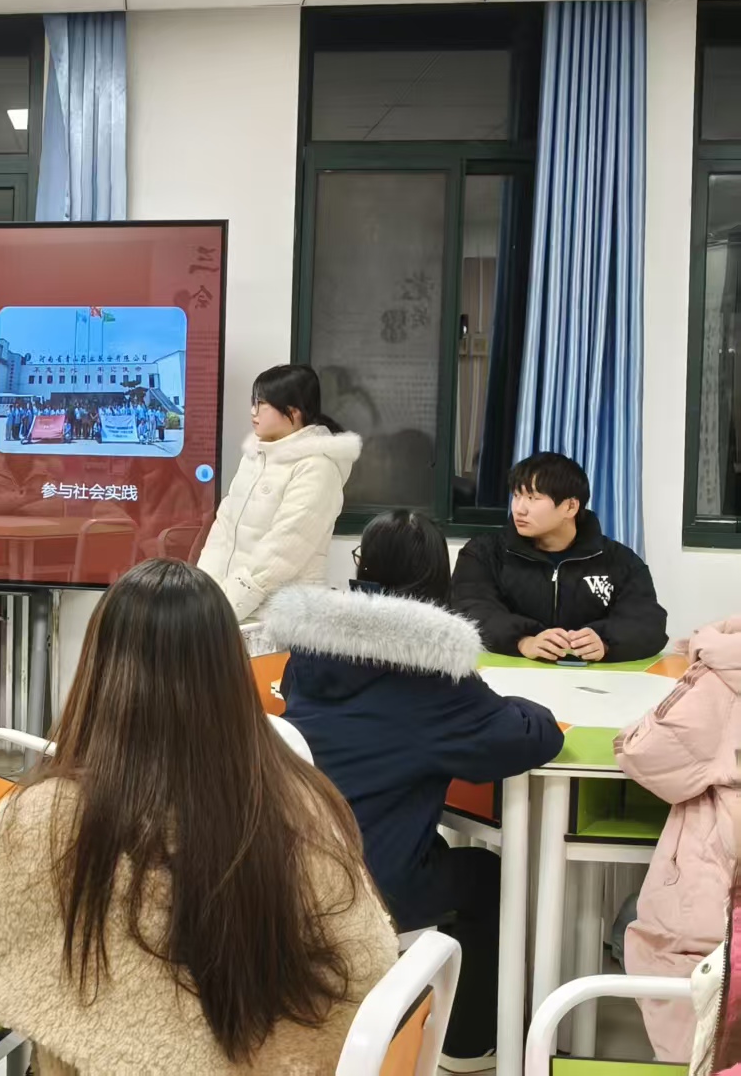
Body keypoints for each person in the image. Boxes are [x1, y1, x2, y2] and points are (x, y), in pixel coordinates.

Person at [0, 560, 396, 1075]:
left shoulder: (55, 818)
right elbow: (372, 965)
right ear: (229, 672)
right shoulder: (302, 799)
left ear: (100, 672)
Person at [269, 511, 564, 1070]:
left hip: (294, 866)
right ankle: (466, 1047)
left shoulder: (308, 651)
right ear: (436, 581)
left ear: (363, 567)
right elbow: (531, 737)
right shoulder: (431, 670)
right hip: (373, 884)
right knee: (487, 876)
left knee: (442, 850)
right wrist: (523, 703)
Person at [614, 611, 741, 1061]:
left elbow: (642, 754)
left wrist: (705, 660)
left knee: (637, 930)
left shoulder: (725, 668)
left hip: (717, 908)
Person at [452, 452, 667, 662]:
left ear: (570, 507)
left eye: (532, 498)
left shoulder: (620, 561)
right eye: (516, 496)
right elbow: (470, 610)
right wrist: (523, 641)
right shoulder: (483, 554)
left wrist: (604, 642)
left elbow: (647, 623)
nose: (519, 509)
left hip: (594, 680)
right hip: (506, 677)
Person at [196, 364, 362, 623]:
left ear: (293, 412)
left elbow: (283, 550)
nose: (253, 412)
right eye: (253, 402)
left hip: (279, 618)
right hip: (228, 611)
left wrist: (223, 609)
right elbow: (224, 527)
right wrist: (205, 592)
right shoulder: (255, 456)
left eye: (262, 404)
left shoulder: (317, 467)